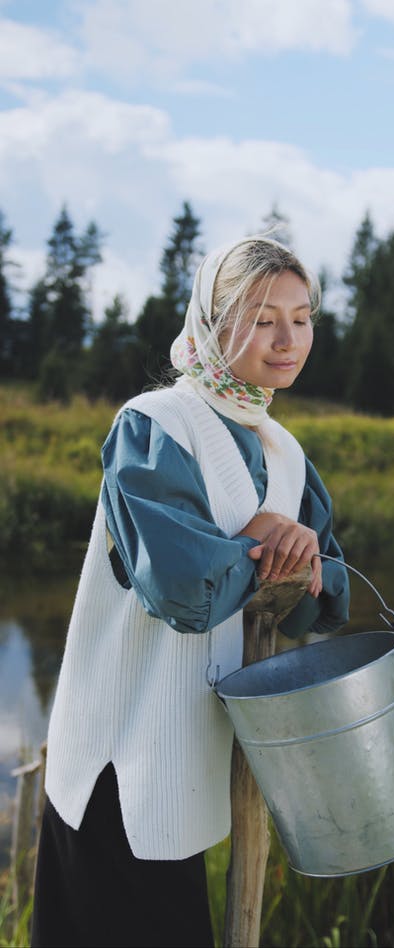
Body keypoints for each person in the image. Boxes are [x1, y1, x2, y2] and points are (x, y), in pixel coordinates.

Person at [31, 235, 349, 948]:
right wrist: (267, 540)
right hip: (119, 761)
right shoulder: (153, 426)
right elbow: (181, 590)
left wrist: (303, 563)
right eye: (262, 317)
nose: (286, 339)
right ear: (211, 318)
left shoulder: (285, 452)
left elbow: (320, 600)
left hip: (195, 764)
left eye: (301, 318)